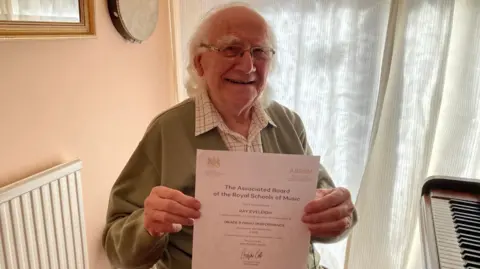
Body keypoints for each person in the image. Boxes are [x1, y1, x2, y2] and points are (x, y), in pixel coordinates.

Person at [102, 3, 357, 269]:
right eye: (231, 49)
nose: (248, 66)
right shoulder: (167, 130)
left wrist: (339, 214)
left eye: (259, 52)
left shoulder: (289, 123)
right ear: (200, 63)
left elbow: (330, 208)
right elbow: (115, 246)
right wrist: (148, 225)